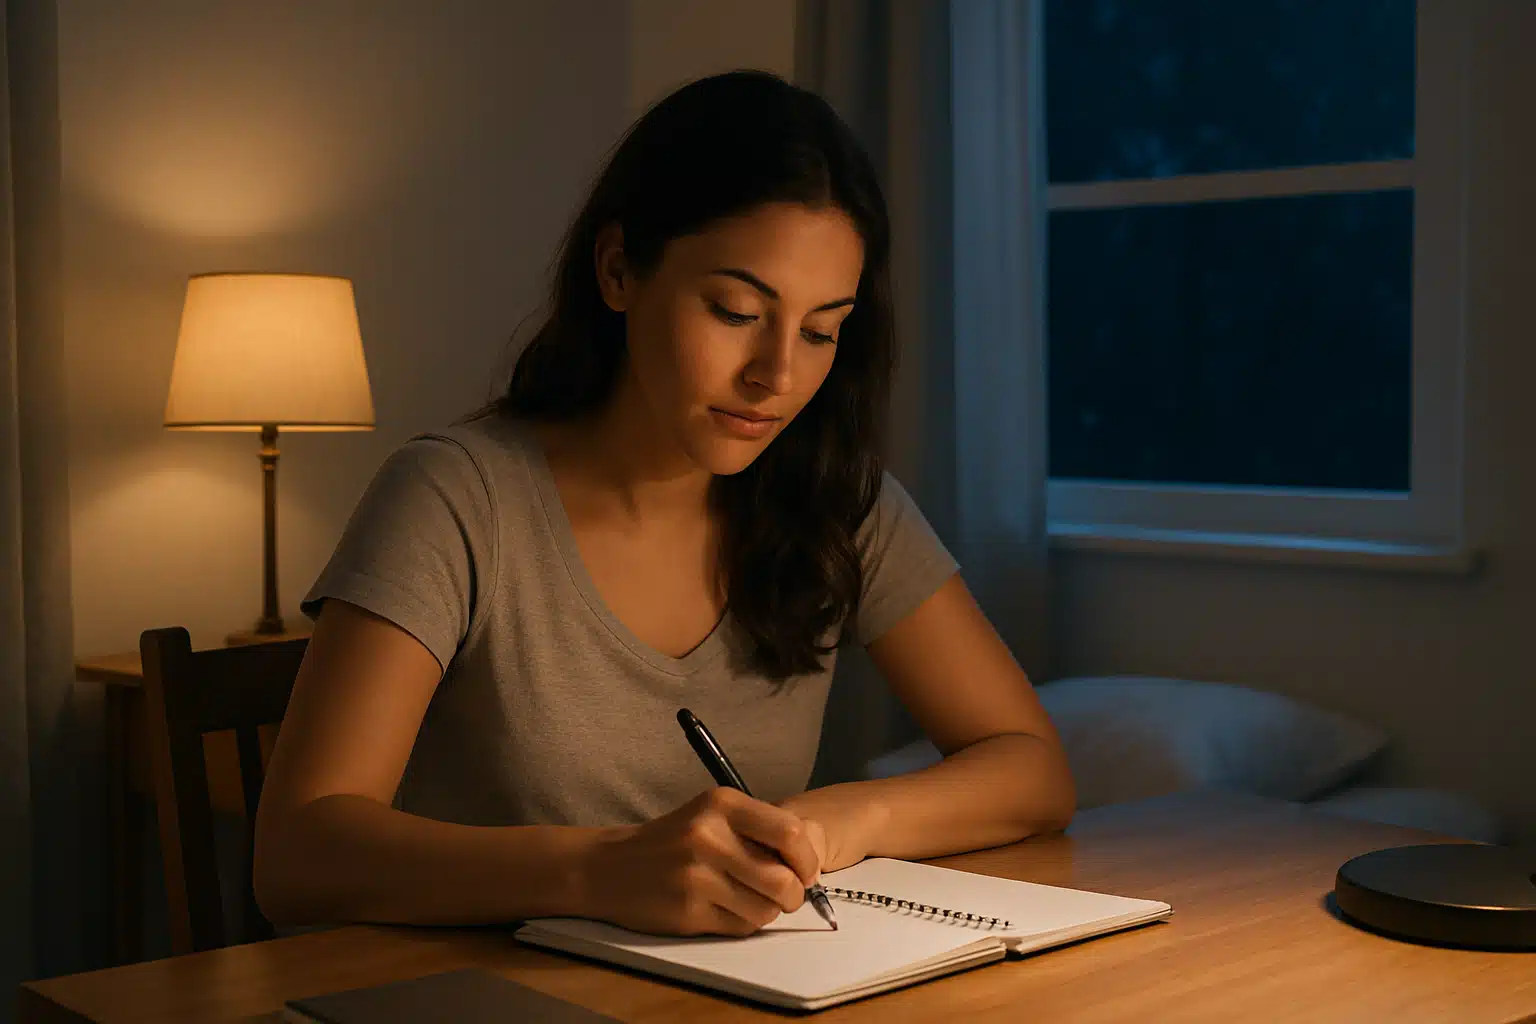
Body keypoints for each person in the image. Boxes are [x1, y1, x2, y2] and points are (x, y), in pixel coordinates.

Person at [252, 69, 1075, 940]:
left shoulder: (838, 501)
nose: (777, 376)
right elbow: (298, 858)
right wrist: (599, 870)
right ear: (618, 270)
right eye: (735, 311)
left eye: (821, 329)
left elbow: (1033, 772)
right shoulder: (457, 497)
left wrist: (831, 826)